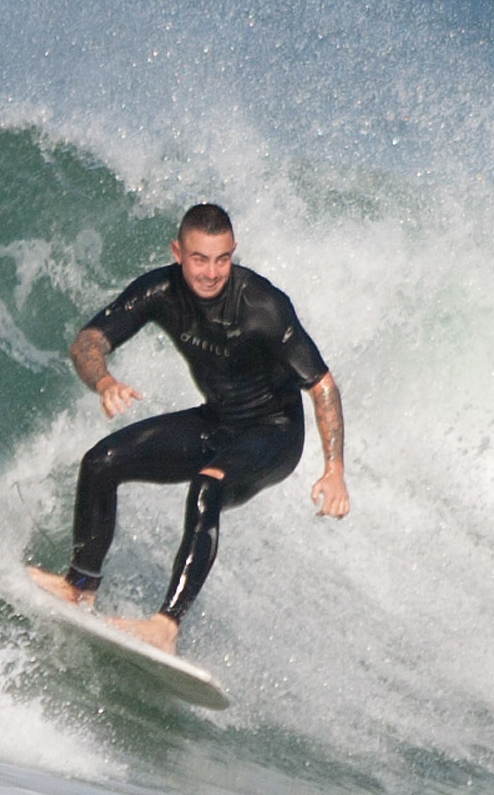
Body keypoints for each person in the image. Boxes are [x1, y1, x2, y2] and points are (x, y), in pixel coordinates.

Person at [30, 203, 350, 655]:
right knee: (101, 462)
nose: (211, 272)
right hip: (218, 421)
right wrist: (103, 381)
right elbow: (90, 340)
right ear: (178, 253)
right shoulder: (160, 290)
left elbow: (322, 385)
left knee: (207, 486)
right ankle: (79, 584)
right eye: (199, 258)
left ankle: (166, 626)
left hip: (273, 435)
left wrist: (334, 468)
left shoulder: (262, 305)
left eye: (222, 259)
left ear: (233, 254)